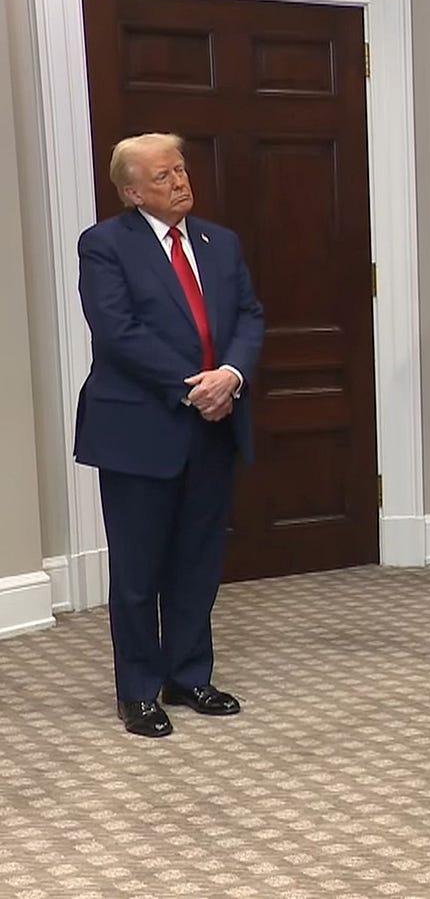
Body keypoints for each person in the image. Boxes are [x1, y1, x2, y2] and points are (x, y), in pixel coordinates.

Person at [75, 132, 265, 738]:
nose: (180, 182)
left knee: (197, 560)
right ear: (132, 191)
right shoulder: (105, 245)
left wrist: (230, 376)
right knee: (138, 569)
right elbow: (117, 331)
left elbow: (249, 317)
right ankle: (139, 689)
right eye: (163, 176)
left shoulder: (220, 242)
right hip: (140, 426)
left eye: (181, 171)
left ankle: (189, 674)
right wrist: (195, 386)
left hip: (214, 426)